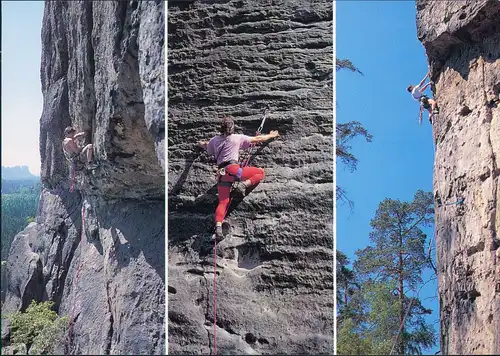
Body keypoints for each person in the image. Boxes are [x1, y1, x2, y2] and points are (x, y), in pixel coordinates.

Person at [198, 116, 279, 239]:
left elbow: (206, 146)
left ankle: (218, 228)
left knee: (223, 201)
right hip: (235, 171)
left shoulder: (214, 140)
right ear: (233, 127)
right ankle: (244, 185)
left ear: (221, 127)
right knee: (260, 172)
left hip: (222, 173)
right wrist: (271, 135)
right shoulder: (237, 138)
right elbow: (258, 139)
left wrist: (199, 144)